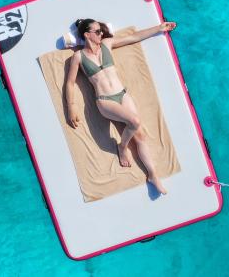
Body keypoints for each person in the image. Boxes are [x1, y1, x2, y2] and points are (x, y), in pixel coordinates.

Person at [65, 18, 176, 195]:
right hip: (105, 100)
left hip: (123, 95)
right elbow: (70, 83)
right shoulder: (78, 57)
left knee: (140, 135)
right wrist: (71, 106)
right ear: (87, 35)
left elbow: (133, 37)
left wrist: (159, 28)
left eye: (102, 30)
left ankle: (153, 175)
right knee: (135, 121)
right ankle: (123, 147)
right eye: (97, 31)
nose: (102, 33)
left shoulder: (107, 44)